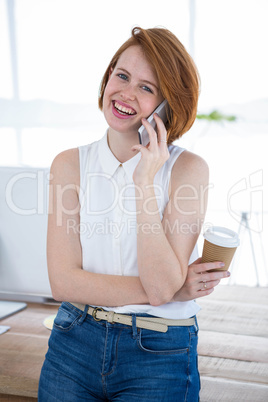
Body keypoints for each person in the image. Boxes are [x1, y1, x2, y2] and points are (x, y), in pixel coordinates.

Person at [38, 27, 230, 401]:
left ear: (167, 104)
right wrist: (176, 288)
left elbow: (160, 289)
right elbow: (63, 282)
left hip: (158, 349)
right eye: (122, 76)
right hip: (73, 340)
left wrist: (144, 182)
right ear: (108, 76)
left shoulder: (189, 170)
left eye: (147, 88)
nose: (126, 93)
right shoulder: (68, 165)